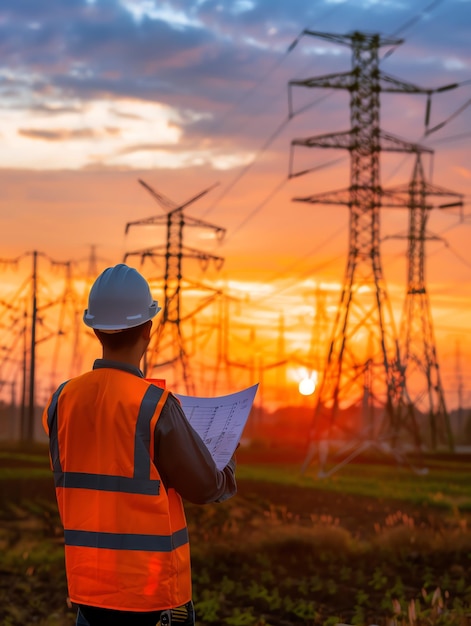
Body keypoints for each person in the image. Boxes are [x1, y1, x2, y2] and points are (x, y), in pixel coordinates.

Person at [42, 263, 237, 626]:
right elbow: (205, 486)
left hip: (90, 593)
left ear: (96, 329)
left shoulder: (62, 400)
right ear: (148, 330)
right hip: (151, 596)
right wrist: (225, 456)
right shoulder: (154, 406)